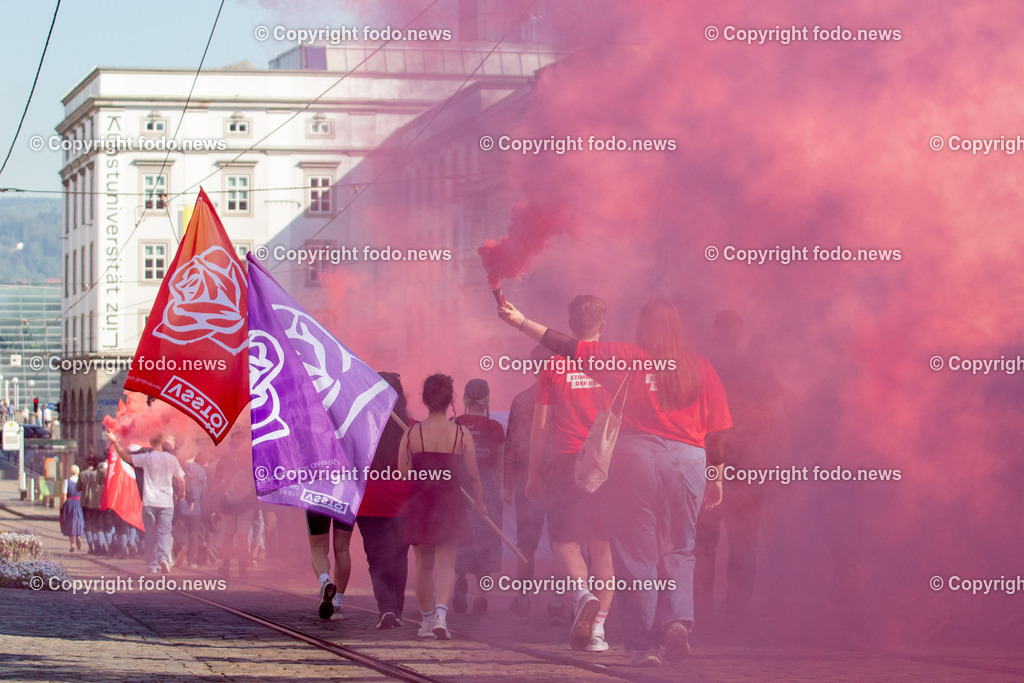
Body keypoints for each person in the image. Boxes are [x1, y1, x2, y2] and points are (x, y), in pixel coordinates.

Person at [498, 297, 731, 666]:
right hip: (688, 461)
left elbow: (567, 346)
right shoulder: (701, 368)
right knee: (680, 548)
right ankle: (677, 621)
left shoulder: (625, 357)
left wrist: (521, 321)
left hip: (634, 461)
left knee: (636, 554)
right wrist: (715, 477)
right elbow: (716, 433)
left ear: (642, 327)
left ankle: (644, 647)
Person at [528, 295, 615, 653]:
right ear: (603, 325)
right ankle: (598, 632)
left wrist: (534, 473)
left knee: (565, 542)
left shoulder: (553, 366)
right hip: (606, 465)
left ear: (569, 325)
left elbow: (540, 427)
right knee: (603, 548)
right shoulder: (615, 362)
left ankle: (581, 594)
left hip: (566, 463)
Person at [399, 374, 485, 640]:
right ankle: (440, 616)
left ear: (425, 400)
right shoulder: (461, 434)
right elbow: (473, 475)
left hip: (421, 504)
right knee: (447, 564)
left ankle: (426, 621)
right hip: (450, 504)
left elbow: (403, 473)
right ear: (450, 401)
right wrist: (480, 504)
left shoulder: (412, 433)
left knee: (423, 565)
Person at [355, 371, 412, 629]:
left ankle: (385, 609)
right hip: (403, 503)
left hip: (370, 503)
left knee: (376, 558)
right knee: (399, 557)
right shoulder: (411, 427)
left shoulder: (360, 426)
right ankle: (396, 611)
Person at [502, 346, 551, 617]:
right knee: (565, 544)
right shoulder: (568, 398)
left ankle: (522, 598)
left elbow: (512, 448)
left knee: (526, 544)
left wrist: (508, 485)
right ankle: (560, 603)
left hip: (526, 479)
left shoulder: (521, 400)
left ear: (532, 368)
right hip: (560, 478)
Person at [452, 378, 505, 616]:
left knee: (459, 536)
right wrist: (501, 492)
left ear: (465, 399)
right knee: (486, 541)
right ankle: (481, 598)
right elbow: (499, 465)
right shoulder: (495, 428)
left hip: (459, 486)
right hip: (488, 487)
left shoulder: (455, 423)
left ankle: (459, 579)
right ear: (487, 399)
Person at [108, 431, 185, 574]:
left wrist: (115, 442)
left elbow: (125, 457)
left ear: (150, 442)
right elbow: (181, 479)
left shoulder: (147, 458)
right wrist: (182, 492)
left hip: (149, 502)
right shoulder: (171, 459)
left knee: (150, 533)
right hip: (166, 502)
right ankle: (164, 558)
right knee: (165, 531)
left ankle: (152, 565)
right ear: (163, 442)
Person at [175, 446, 207, 568]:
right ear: (194, 455)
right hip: (196, 507)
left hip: (181, 504)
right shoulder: (201, 470)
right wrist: (201, 502)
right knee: (194, 533)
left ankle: (183, 546)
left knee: (180, 530)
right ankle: (192, 560)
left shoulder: (179, 468)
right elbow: (204, 490)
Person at [60, 464, 85, 552]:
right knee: (78, 521)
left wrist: (62, 506)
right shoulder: (81, 481)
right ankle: (78, 537)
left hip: (70, 503)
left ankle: (72, 545)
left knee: (70, 523)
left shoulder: (67, 481)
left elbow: (64, 496)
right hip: (78, 502)